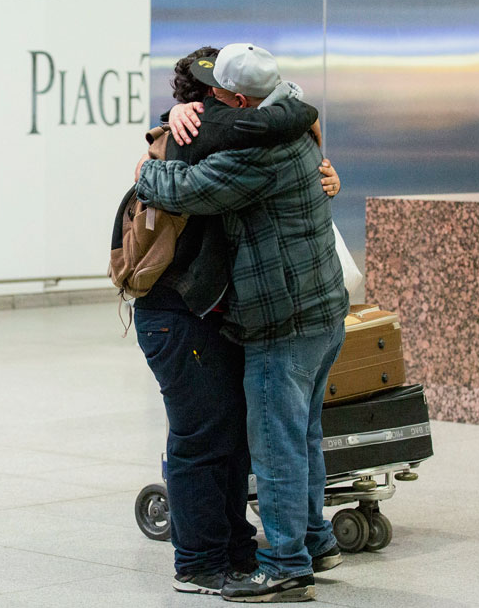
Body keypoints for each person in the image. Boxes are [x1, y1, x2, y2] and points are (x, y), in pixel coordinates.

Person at [135, 44, 349, 603]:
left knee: (277, 445)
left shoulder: (255, 148)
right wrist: (165, 131)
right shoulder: (294, 119)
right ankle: (312, 539)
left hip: (284, 321)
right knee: (298, 436)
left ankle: (283, 562)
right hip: (320, 311)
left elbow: (185, 189)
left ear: (232, 101)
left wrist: (146, 170)